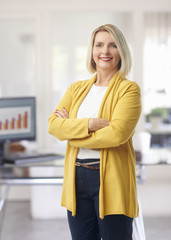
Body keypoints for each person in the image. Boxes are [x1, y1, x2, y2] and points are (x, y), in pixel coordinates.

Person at [48, 24, 142, 240]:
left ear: (122, 51)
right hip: (77, 179)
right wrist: (89, 124)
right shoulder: (76, 89)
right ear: (92, 51)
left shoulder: (129, 90)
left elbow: (117, 135)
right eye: (99, 45)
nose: (105, 52)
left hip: (111, 180)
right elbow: (53, 125)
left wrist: (71, 133)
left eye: (112, 45)